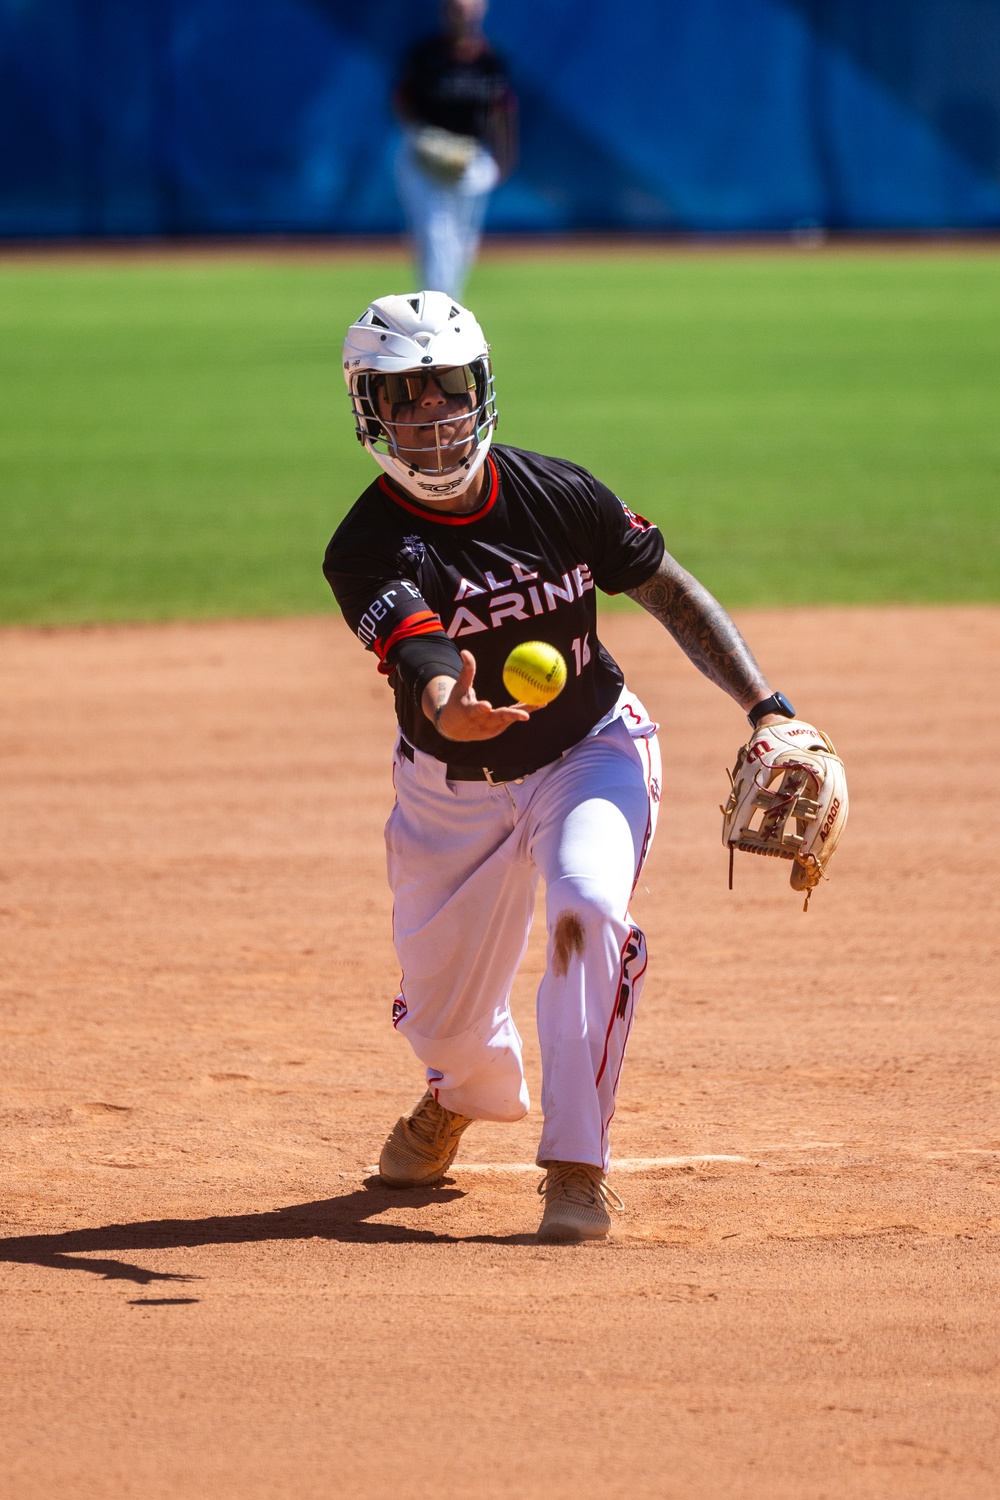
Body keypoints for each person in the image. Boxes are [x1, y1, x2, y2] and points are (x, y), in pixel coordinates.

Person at [325, 290, 801, 1243]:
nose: (431, 413)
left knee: (588, 912)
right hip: (449, 796)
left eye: (446, 387)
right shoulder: (366, 546)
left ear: (481, 387)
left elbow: (668, 590)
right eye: (403, 395)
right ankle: (458, 1093)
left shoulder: (557, 492)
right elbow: (417, 646)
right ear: (368, 409)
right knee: (448, 1026)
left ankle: (577, 1167)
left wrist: (768, 709)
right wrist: (444, 704)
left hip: (591, 751)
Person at [394, 0, 516, 300]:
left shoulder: (490, 59)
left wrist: (504, 157)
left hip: (470, 157)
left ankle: (446, 306)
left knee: (463, 243)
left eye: (467, 9)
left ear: (481, 10)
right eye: (454, 9)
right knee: (436, 236)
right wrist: (421, 135)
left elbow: (503, 111)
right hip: (425, 158)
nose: (461, 16)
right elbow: (401, 99)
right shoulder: (426, 55)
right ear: (444, 12)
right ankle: (438, 313)